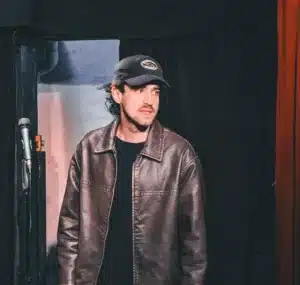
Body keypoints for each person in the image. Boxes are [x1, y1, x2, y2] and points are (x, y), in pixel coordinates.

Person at [57, 54, 207, 285]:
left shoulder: (179, 154)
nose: (150, 100)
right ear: (117, 93)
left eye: (155, 91)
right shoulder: (90, 149)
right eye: (139, 90)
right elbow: (70, 230)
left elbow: (194, 246)